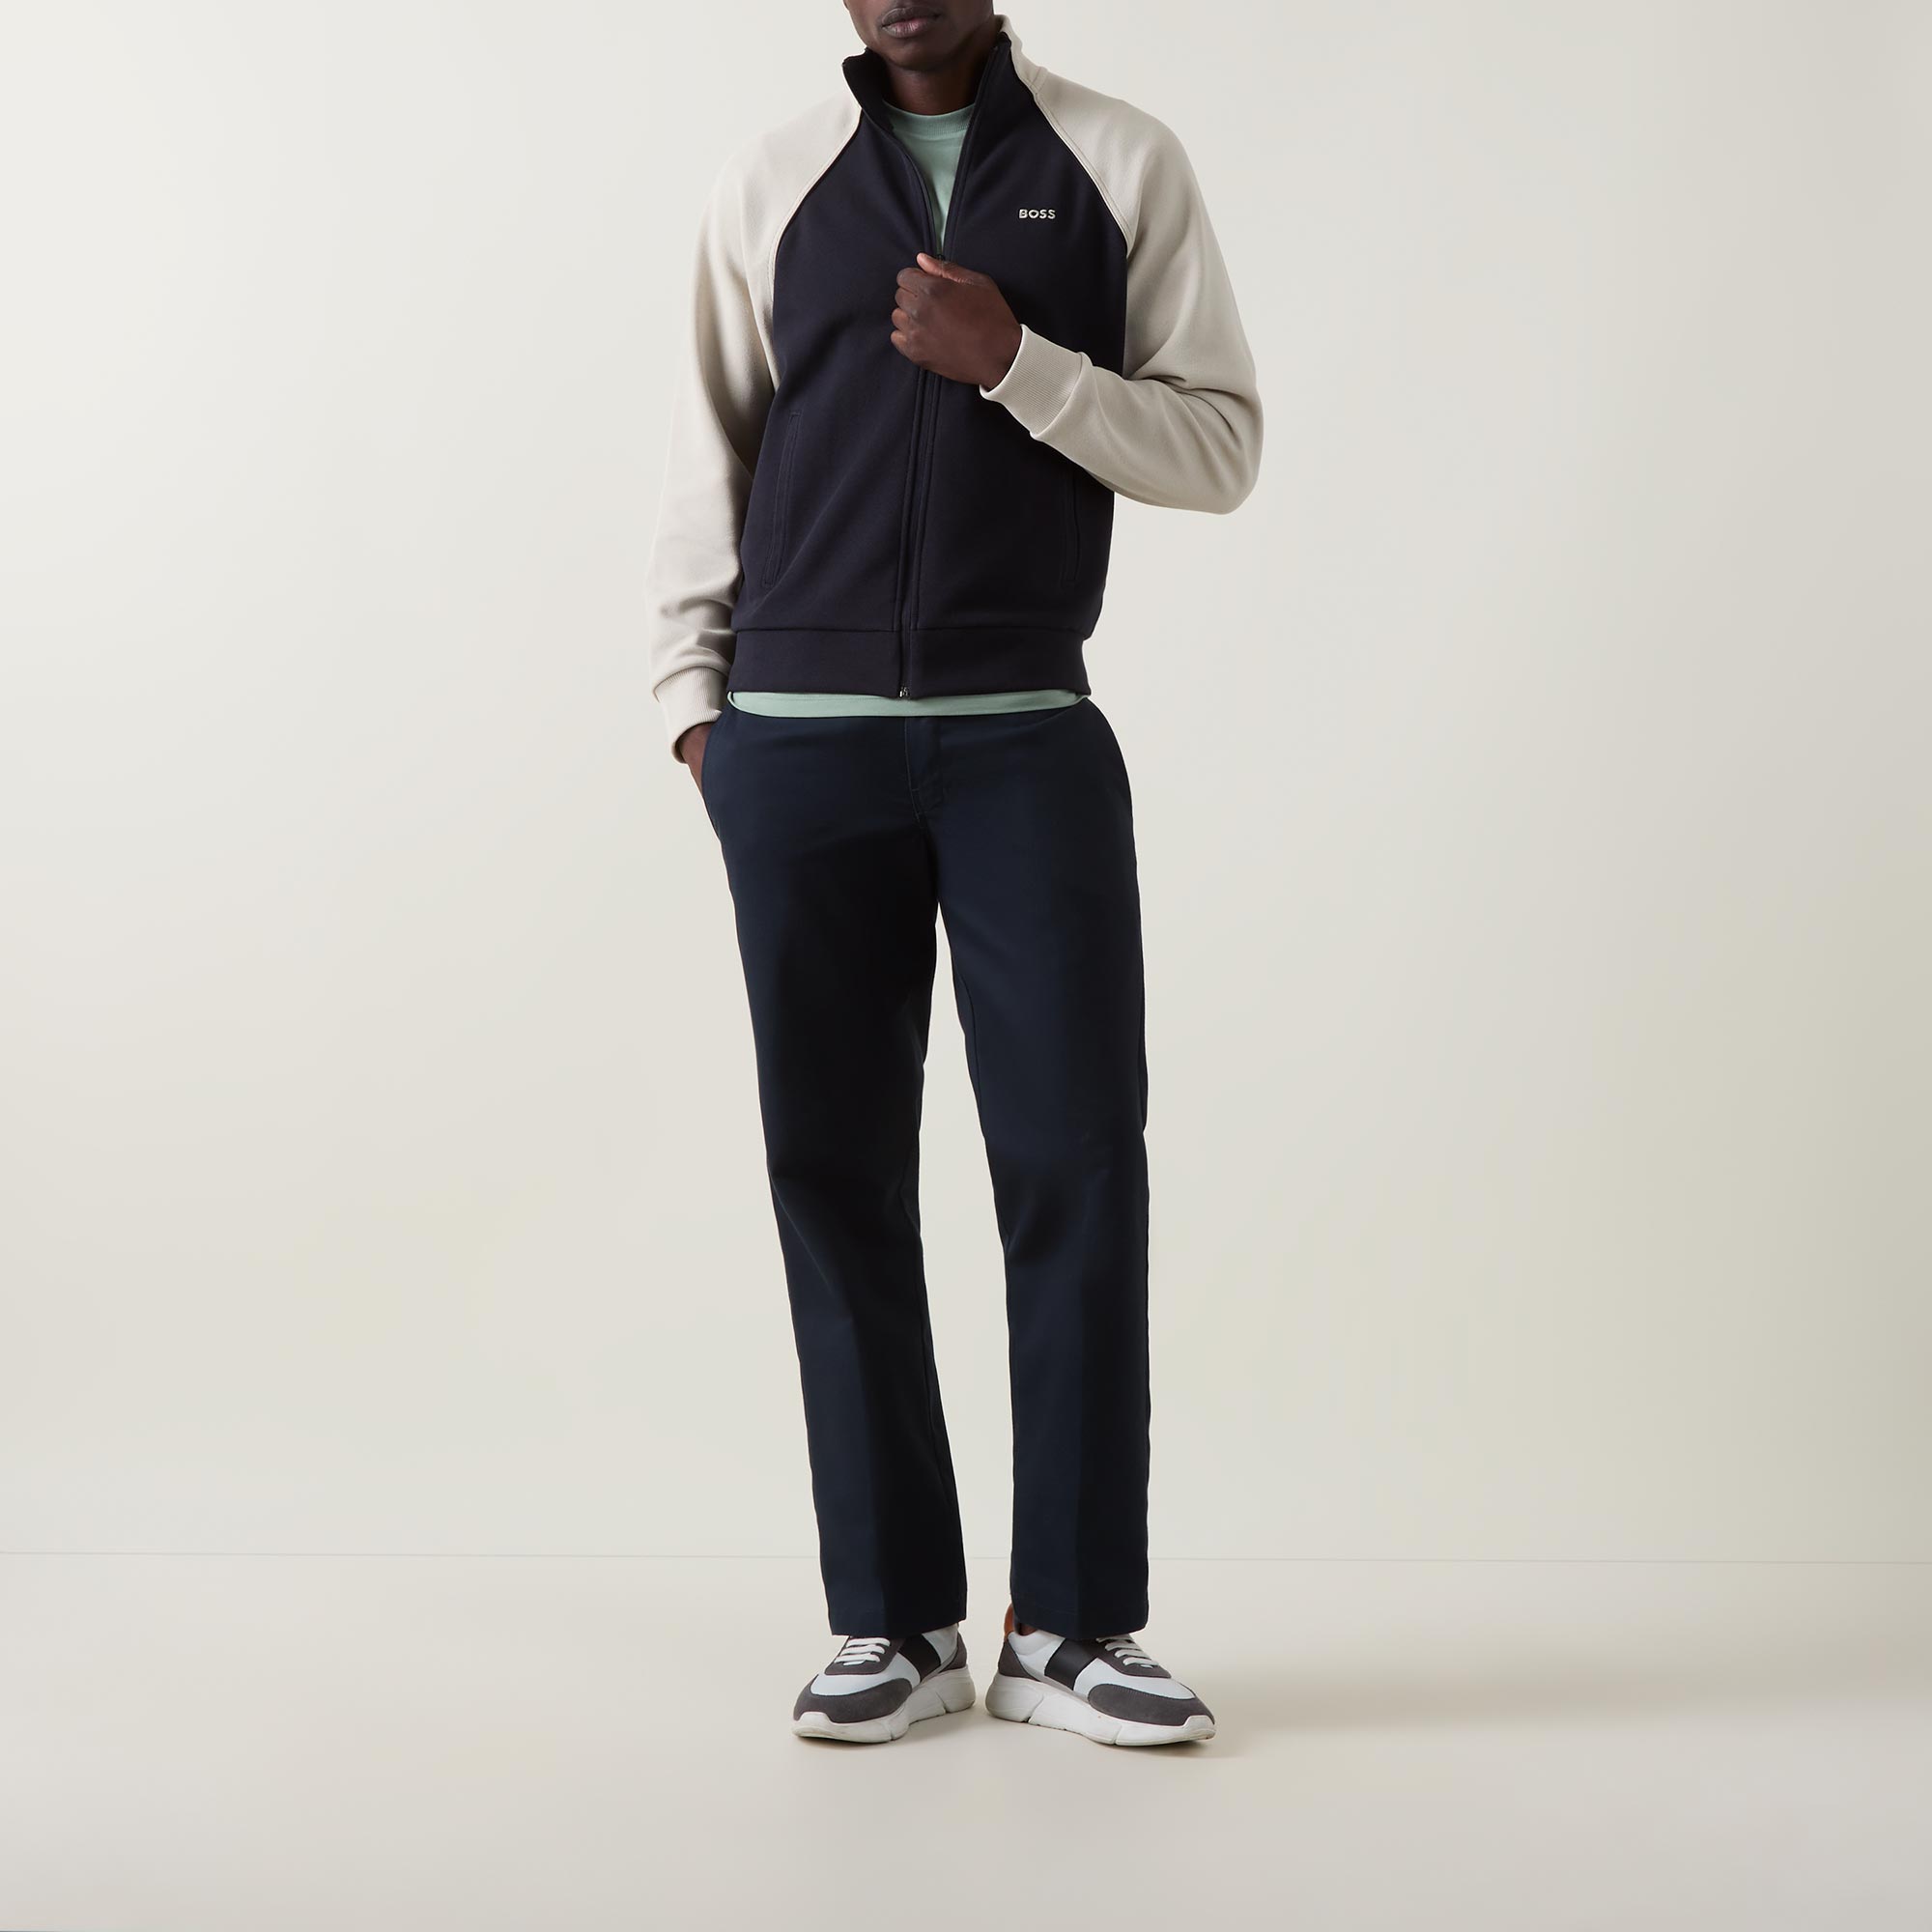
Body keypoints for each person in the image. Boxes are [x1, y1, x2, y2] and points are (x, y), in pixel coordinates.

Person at [643, 1, 1262, 1747]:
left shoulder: (1119, 162)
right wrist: (699, 713)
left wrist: (1018, 365)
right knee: (835, 1174)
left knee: (1078, 1163)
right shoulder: (770, 183)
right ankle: (892, 1623)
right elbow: (710, 451)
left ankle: (1068, 1624)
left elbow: (1221, 446)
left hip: (1023, 741)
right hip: (797, 747)